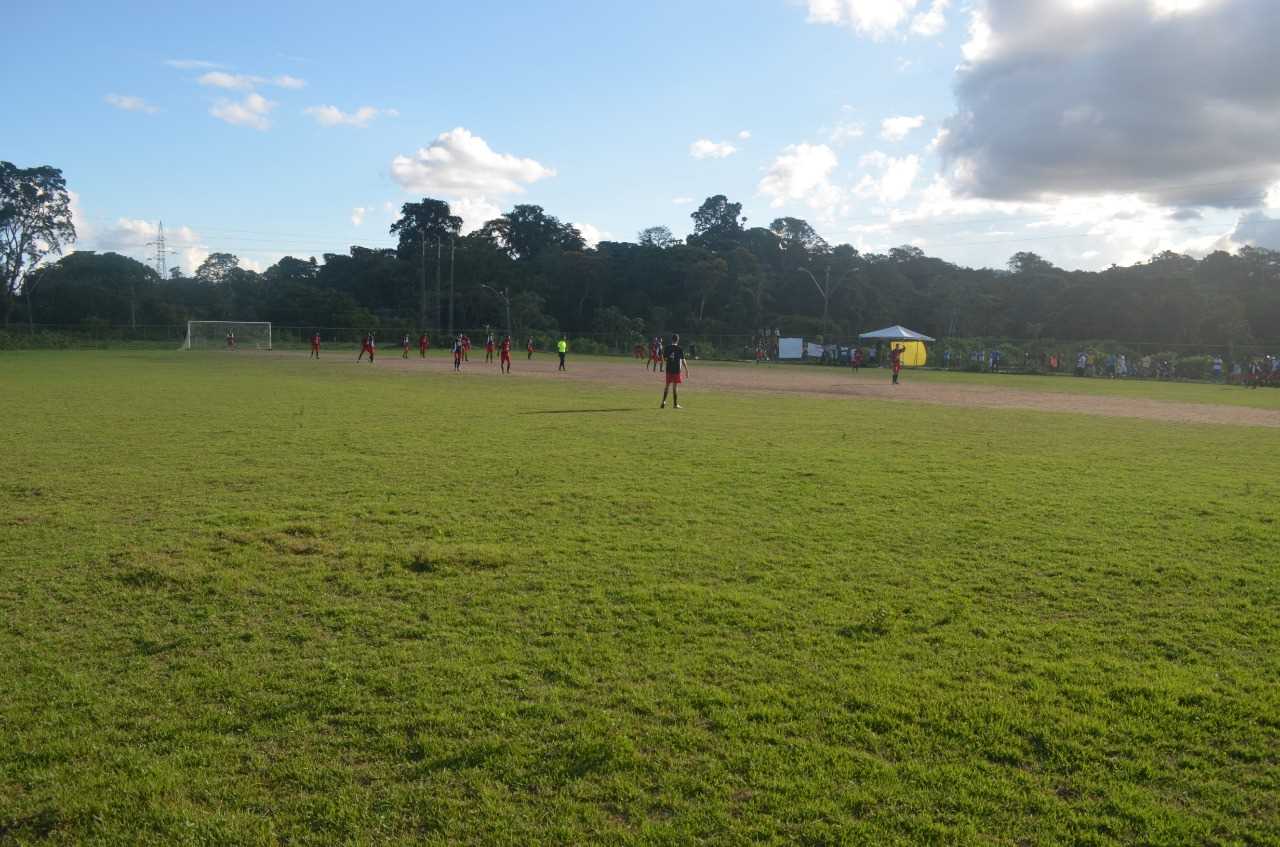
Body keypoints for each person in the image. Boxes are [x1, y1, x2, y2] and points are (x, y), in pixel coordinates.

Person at [660, 332, 690, 409]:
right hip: (676, 370)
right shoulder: (679, 349)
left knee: (667, 386)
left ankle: (663, 401)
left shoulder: (667, 348)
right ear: (678, 340)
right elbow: (683, 360)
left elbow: (664, 359)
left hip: (669, 369)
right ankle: (675, 404)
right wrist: (687, 370)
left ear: (672, 339)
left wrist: (662, 367)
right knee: (675, 387)